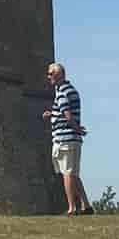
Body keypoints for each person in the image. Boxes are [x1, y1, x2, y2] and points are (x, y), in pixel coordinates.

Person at [42, 61, 92, 214]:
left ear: (59, 75)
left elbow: (68, 116)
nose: (48, 76)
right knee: (73, 174)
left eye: (50, 73)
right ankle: (86, 206)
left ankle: (72, 207)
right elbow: (65, 112)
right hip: (71, 139)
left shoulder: (62, 92)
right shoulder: (70, 90)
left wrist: (77, 129)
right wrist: (53, 114)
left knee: (67, 174)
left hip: (65, 139)